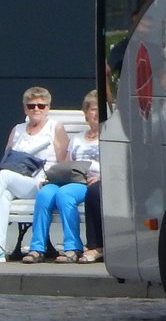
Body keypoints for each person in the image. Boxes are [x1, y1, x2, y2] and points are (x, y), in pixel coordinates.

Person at [22, 90, 101, 264]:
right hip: (69, 178)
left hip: (87, 181)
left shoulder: (108, 137)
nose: (95, 113)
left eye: (99, 109)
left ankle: (72, 247)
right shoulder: (78, 138)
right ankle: (37, 248)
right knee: (44, 194)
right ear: (86, 113)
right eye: (92, 109)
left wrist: (102, 176)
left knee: (65, 195)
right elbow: (66, 163)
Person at [0, 86, 68, 262]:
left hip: (41, 184)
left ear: (48, 108)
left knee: (3, 176)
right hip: (17, 181)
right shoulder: (18, 129)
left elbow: (63, 161)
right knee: (3, 196)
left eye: (41, 105)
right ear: (25, 109)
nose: (36, 109)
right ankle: (0, 249)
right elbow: (8, 157)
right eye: (31, 106)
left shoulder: (55, 128)